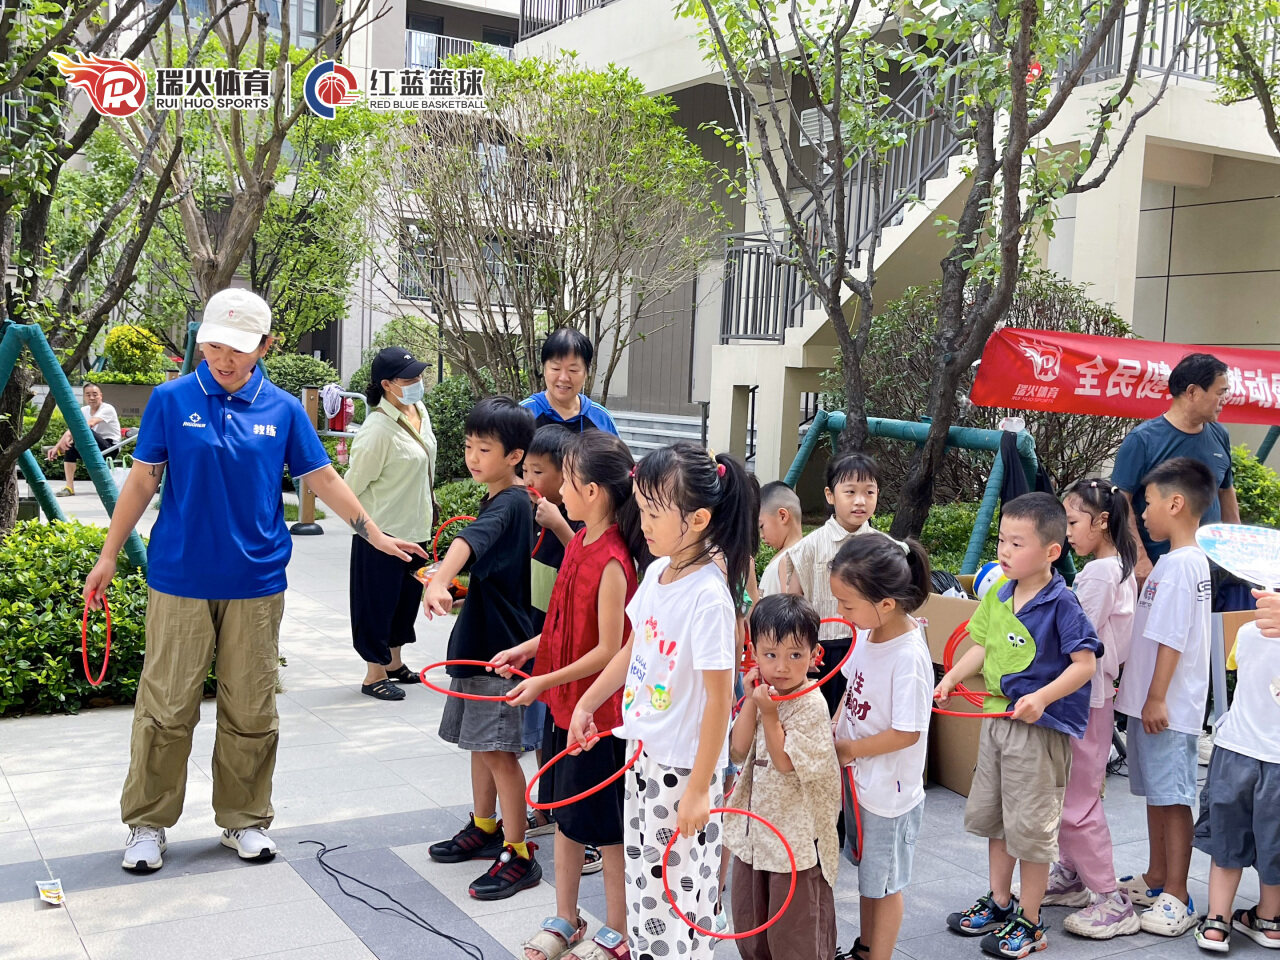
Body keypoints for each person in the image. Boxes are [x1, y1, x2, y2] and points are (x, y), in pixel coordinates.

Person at [82, 288, 426, 873]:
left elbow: (323, 478)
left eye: (238, 348)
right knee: (166, 706)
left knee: (251, 708)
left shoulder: (284, 409)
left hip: (257, 581)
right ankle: (147, 823)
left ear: (265, 346)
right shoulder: (171, 399)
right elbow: (141, 481)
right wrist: (109, 555)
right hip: (180, 578)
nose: (224, 358)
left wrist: (373, 533)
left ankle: (244, 819)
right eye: (215, 345)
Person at [568, 442, 755, 960]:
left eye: (653, 512)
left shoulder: (709, 597)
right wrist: (587, 703)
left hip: (684, 770)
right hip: (645, 755)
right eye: (641, 508)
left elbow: (720, 700)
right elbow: (634, 648)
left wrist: (698, 790)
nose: (642, 523)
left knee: (675, 901)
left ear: (697, 519)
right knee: (646, 892)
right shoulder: (658, 573)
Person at [491, 431, 647, 960]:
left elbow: (609, 649)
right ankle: (566, 916)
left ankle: (617, 930)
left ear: (595, 491)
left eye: (570, 480)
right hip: (567, 709)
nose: (559, 490)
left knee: (606, 829)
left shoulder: (614, 560)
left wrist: (544, 680)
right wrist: (526, 651)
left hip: (598, 718)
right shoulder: (579, 541)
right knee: (566, 816)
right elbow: (562, 625)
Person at [937, 492, 1100, 959]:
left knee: (1030, 829)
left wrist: (1042, 697)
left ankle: (1031, 921)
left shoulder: (1062, 603)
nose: (1004, 551)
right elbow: (982, 646)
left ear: (1051, 551)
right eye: (1001, 540)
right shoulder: (1000, 592)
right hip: (998, 720)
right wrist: (950, 678)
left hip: (1039, 729)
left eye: (1017, 543)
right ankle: (1000, 901)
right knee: (998, 819)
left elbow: (1085, 664)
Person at [423, 396, 540, 900]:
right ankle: (486, 826)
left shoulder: (512, 501)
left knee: (499, 752)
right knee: (480, 746)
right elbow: (493, 567)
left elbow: (468, 541)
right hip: (480, 641)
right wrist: (453, 586)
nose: (473, 457)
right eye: (469, 446)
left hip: (501, 653)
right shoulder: (502, 499)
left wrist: (439, 580)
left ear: (514, 456)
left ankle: (519, 851)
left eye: (485, 449)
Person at [1112, 457, 1216, 938]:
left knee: (1173, 799)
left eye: (1149, 502)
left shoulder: (1181, 565)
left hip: (1166, 708)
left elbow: (1172, 638)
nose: (1143, 513)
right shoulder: (1177, 563)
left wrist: (1155, 698)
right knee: (1158, 794)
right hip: (1153, 704)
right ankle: (1157, 877)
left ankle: (1178, 894)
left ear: (1175, 504)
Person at [828, 534, 934, 960]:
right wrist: (836, 726)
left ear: (886, 604)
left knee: (886, 885)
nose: (841, 613)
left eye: (847, 605)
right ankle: (865, 948)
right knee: (869, 878)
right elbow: (851, 687)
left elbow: (908, 732)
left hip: (890, 796)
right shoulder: (869, 634)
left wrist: (851, 749)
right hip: (863, 783)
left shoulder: (907, 656)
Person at [726, 593, 841, 960]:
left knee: (795, 934)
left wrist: (770, 713)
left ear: (814, 654)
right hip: (756, 836)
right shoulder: (763, 695)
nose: (781, 666)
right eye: (771, 654)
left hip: (794, 843)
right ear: (754, 653)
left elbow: (785, 762)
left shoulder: (811, 702)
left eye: (795, 655)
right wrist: (751, 702)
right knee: (752, 925)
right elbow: (737, 751)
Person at [1052, 480, 1141, 939]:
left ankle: (1110, 899)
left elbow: (1075, 637)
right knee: (1075, 790)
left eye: (1072, 521)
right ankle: (1070, 875)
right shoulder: (1116, 566)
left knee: (1077, 800)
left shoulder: (1100, 574)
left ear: (1102, 521)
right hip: (1093, 696)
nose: (1066, 532)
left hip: (1084, 698)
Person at [344, 346, 436, 701]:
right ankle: (374, 674)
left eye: (419, 376)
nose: (418, 382)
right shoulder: (377, 431)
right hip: (382, 535)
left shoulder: (419, 411)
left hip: (416, 528)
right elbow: (349, 489)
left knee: (404, 602)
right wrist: (369, 533)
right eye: (409, 378)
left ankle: (394, 663)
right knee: (376, 605)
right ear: (387, 384)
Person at [1193, 589, 1280, 952]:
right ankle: (1270, 921)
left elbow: (1234, 665)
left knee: (1226, 842)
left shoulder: (1246, 632)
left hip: (1236, 753)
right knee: (1274, 844)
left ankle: (1217, 923)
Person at [1112, 353, 1238, 586]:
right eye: (1220, 393)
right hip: (1159, 570)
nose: (1224, 400)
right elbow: (1121, 501)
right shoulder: (1143, 440)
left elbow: (1226, 493)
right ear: (1192, 392)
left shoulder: (1220, 435)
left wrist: (1236, 553)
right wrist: (1139, 558)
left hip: (1210, 569)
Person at [518, 425, 581, 842]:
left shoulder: (573, 517)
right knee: (545, 729)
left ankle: (568, 814)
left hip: (567, 644)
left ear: (566, 475)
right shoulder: (533, 513)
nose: (529, 481)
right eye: (526, 471)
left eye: (539, 472)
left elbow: (587, 564)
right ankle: (547, 805)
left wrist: (559, 524)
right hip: (540, 634)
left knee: (561, 729)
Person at [783, 452, 882, 714]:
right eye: (850, 492)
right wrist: (798, 650)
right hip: (821, 652)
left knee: (861, 718)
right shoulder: (809, 547)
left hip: (868, 647)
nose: (860, 501)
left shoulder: (884, 548)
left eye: (869, 492)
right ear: (830, 495)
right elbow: (793, 603)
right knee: (818, 717)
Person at [521, 328, 618, 434]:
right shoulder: (522, 415)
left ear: (586, 372)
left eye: (573, 370)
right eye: (556, 369)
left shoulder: (601, 419)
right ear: (544, 369)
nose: (563, 378)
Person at [47, 382, 122, 496]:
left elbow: (89, 424)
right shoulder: (83, 410)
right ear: (84, 397)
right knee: (70, 448)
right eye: (88, 395)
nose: (91, 397)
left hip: (110, 448)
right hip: (92, 444)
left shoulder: (107, 408)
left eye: (95, 394)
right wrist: (57, 447)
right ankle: (69, 488)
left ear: (101, 395)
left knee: (86, 431)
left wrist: (70, 437)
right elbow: (71, 429)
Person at [757, 480, 803, 596]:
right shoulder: (786, 555)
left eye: (762, 526)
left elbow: (791, 606)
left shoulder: (791, 558)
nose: (761, 535)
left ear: (783, 516)